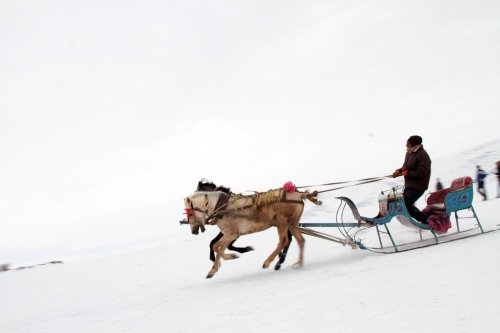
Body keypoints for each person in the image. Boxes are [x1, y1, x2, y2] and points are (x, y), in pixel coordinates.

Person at [392, 135, 432, 224]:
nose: (406, 146)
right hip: (410, 185)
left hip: (419, 186)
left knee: (405, 204)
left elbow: (422, 173)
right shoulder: (409, 153)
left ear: (414, 145)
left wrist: (407, 173)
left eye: (408, 145)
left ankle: (426, 220)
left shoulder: (423, 155)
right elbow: (405, 167)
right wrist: (399, 171)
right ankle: (421, 219)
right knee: (401, 203)